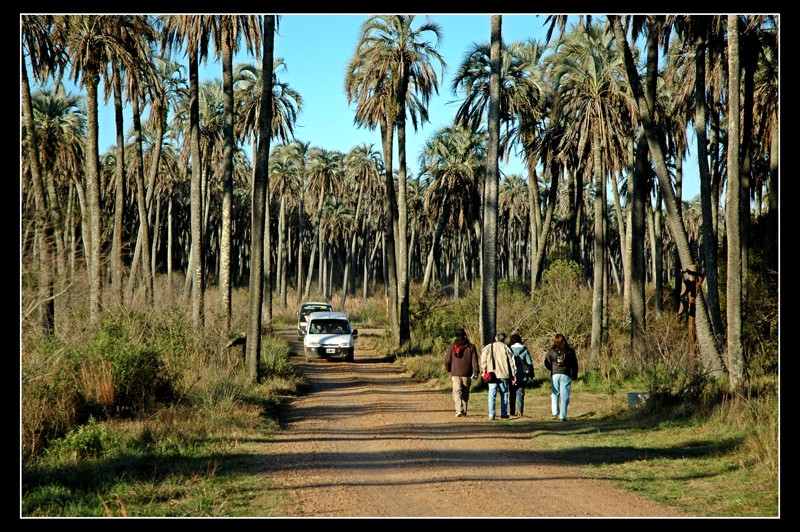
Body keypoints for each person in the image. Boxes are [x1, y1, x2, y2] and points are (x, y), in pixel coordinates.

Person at [480, 332, 517, 420]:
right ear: (504, 339)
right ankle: (503, 413)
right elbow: (512, 362)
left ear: (496, 338)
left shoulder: (488, 347)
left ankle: (491, 414)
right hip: (504, 374)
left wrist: (484, 371)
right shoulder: (506, 348)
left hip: (492, 375)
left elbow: (483, 360)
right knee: (504, 394)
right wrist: (513, 374)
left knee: (492, 394)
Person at [444, 329, 480, 417]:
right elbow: (475, 361)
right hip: (467, 372)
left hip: (455, 372)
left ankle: (459, 410)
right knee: (465, 391)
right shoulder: (471, 346)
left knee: (457, 391)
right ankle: (464, 409)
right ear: (465, 335)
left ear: (456, 336)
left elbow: (447, 360)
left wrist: (449, 369)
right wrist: (476, 372)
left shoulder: (452, 346)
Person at [544, 333, 578, 421]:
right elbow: (574, 363)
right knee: (564, 396)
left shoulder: (552, 350)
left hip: (555, 373)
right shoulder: (570, 350)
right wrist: (574, 375)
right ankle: (563, 416)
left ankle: (554, 412)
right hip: (566, 374)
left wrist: (551, 369)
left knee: (555, 393)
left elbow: (546, 361)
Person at [508, 333, 534, 417]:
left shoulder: (509, 349)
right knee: (520, 393)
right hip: (522, 374)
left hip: (512, 374)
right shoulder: (524, 349)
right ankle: (520, 411)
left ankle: (512, 411)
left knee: (512, 393)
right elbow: (529, 362)